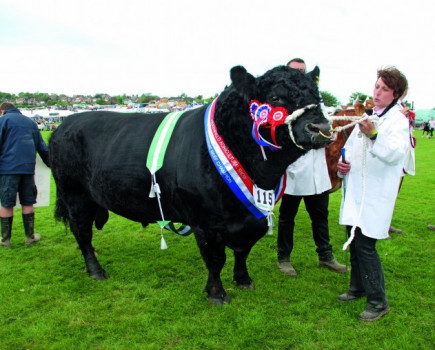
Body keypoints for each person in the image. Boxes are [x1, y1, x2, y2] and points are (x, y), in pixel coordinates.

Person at [337, 66, 409, 321]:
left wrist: (374, 134)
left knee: (366, 244)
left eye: (385, 89)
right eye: (377, 86)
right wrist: (343, 164)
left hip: (375, 193)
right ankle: (357, 288)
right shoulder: (369, 115)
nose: (377, 92)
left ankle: (378, 302)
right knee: (354, 240)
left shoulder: (397, 121)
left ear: (396, 94)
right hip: (356, 190)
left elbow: (395, 154)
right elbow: (350, 148)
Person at [276, 58, 346, 276]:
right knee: (288, 217)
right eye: (295, 71)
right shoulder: (281, 102)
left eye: (304, 72)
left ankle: (325, 256)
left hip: (317, 169)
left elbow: (326, 126)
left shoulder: (317, 100)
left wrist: (328, 135)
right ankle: (283, 258)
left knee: (320, 215)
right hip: (294, 170)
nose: (301, 75)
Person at [0, 102, 50, 247]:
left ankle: (5, 240)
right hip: (28, 169)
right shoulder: (31, 122)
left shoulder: (3, 120)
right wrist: (51, 164)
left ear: (3, 110)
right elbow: (42, 147)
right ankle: (30, 237)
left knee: (6, 203)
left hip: (7, 170)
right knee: (28, 202)